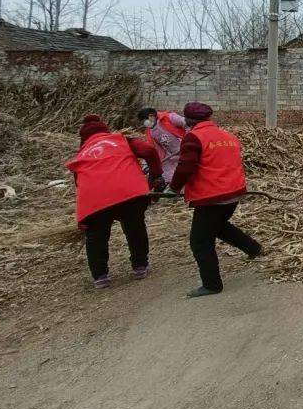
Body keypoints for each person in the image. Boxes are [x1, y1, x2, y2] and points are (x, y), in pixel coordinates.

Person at [169, 102, 262, 297]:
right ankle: (254, 249)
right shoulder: (227, 136)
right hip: (234, 192)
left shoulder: (193, 138)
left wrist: (174, 188)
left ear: (187, 120)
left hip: (212, 196)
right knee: (218, 226)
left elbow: (186, 167)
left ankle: (212, 285)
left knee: (200, 241)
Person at [65, 114, 164, 289]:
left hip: (94, 199)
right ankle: (140, 267)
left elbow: (78, 181)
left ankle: (100, 277)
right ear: (105, 130)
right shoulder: (121, 140)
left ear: (84, 138)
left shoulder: (83, 153)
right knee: (135, 227)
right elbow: (149, 151)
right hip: (129, 192)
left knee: (96, 237)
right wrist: (155, 176)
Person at [136, 106, 188, 185]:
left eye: (145, 120)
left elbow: (187, 123)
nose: (144, 123)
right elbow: (152, 148)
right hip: (172, 154)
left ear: (151, 116)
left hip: (186, 147)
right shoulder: (150, 132)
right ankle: (169, 186)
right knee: (167, 171)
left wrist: (188, 140)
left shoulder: (168, 117)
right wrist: (148, 164)